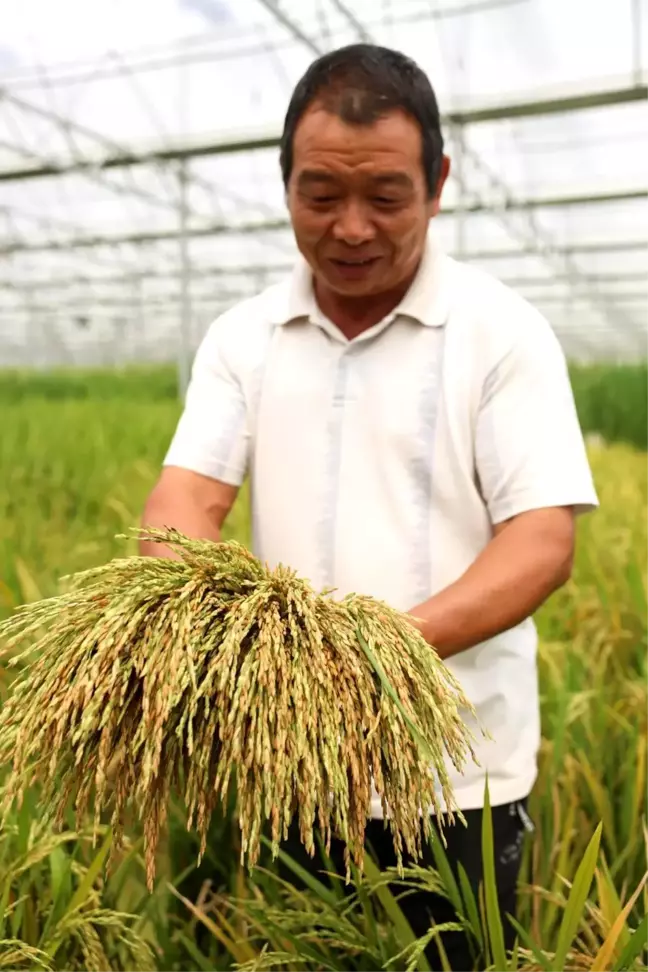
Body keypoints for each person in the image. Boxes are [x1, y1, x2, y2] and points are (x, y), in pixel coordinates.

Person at [139, 43, 599, 969]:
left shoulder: (502, 333)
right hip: (291, 765)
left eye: (386, 197)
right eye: (320, 195)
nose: (351, 228)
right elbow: (185, 498)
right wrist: (196, 617)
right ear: (284, 188)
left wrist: (371, 656)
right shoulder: (244, 338)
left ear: (438, 185)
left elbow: (542, 538)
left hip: (457, 772)